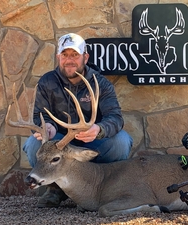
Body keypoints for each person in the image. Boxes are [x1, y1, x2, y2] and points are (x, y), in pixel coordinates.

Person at [23, 33, 133, 208]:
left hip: (90, 141)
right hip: (59, 142)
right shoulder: (47, 82)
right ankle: (55, 190)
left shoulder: (100, 83)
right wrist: (46, 127)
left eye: (75, 55)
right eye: (65, 55)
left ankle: (102, 188)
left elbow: (115, 118)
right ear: (59, 57)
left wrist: (99, 129)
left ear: (85, 57)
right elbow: (38, 116)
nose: (69, 60)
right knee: (33, 145)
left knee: (122, 141)